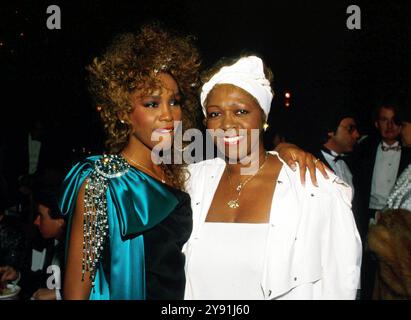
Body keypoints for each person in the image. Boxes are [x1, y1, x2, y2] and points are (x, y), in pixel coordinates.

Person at [59, 24, 327, 300]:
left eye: (174, 102)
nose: (167, 115)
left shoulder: (180, 173)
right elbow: (76, 291)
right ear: (123, 111)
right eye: (152, 104)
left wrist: (282, 148)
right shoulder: (101, 182)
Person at [183, 55, 362, 300]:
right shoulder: (193, 183)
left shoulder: (311, 185)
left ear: (263, 117)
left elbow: (340, 283)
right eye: (215, 114)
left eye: (241, 111)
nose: (227, 124)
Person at [0, 170, 66, 300]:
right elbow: (34, 280)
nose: (36, 222)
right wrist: (16, 275)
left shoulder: (75, 249)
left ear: (60, 221)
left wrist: (58, 295)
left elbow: (96, 289)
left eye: (41, 217)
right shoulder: (42, 243)